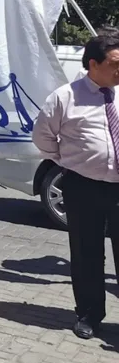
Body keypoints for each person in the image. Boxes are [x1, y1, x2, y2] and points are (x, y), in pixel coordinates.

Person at [32, 33, 119, 340]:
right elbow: (42, 137)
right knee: (87, 253)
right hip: (83, 187)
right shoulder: (64, 97)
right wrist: (72, 161)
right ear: (93, 64)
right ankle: (89, 315)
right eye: (115, 64)